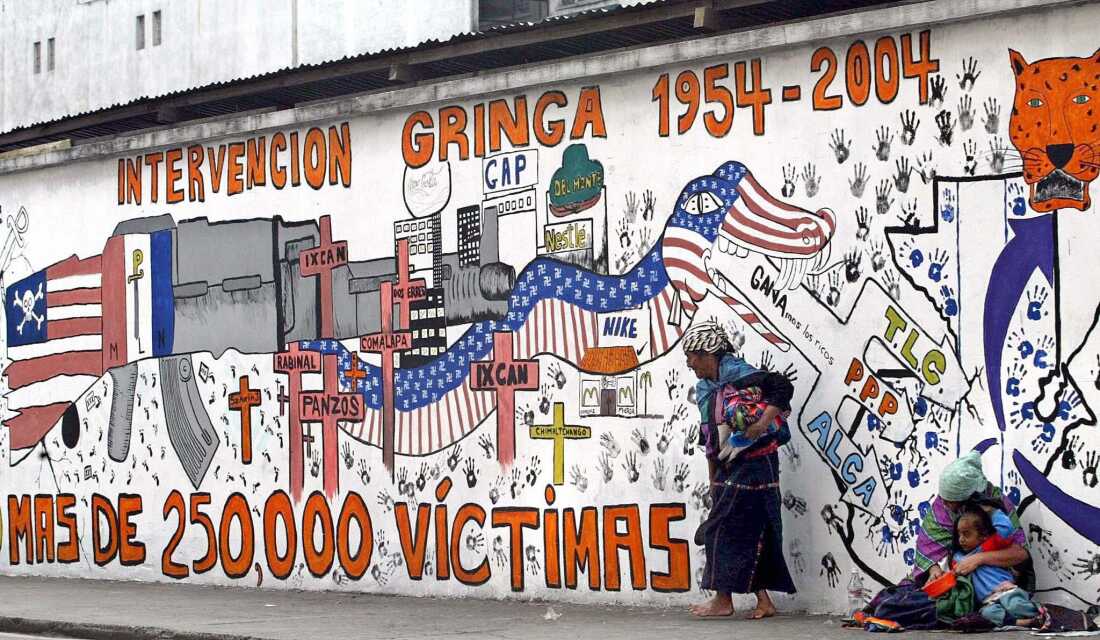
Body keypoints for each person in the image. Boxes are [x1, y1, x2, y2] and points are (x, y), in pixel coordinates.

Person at [683, 320, 796, 620]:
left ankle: (726, 599)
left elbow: (782, 387)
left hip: (757, 464)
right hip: (729, 467)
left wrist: (759, 425)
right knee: (746, 530)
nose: (689, 362)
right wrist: (712, 477)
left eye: (692, 355)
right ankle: (758, 600)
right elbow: (709, 434)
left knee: (732, 528)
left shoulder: (741, 374)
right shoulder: (706, 389)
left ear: (709, 353)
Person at [912, 451, 1031, 588]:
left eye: (950, 501)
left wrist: (978, 559)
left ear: (968, 497)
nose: (945, 505)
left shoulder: (996, 507)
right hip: (954, 581)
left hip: (996, 580)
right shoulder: (942, 507)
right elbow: (927, 550)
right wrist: (934, 570)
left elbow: (1020, 553)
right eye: (943, 499)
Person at [951, 504, 1040, 627]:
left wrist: (992, 511)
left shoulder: (986, 548)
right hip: (988, 601)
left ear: (983, 536)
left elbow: (1005, 529)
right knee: (988, 614)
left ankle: (1040, 613)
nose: (961, 539)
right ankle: (1023, 623)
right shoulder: (957, 558)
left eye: (966, 534)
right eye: (959, 534)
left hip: (1005, 590)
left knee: (1015, 605)